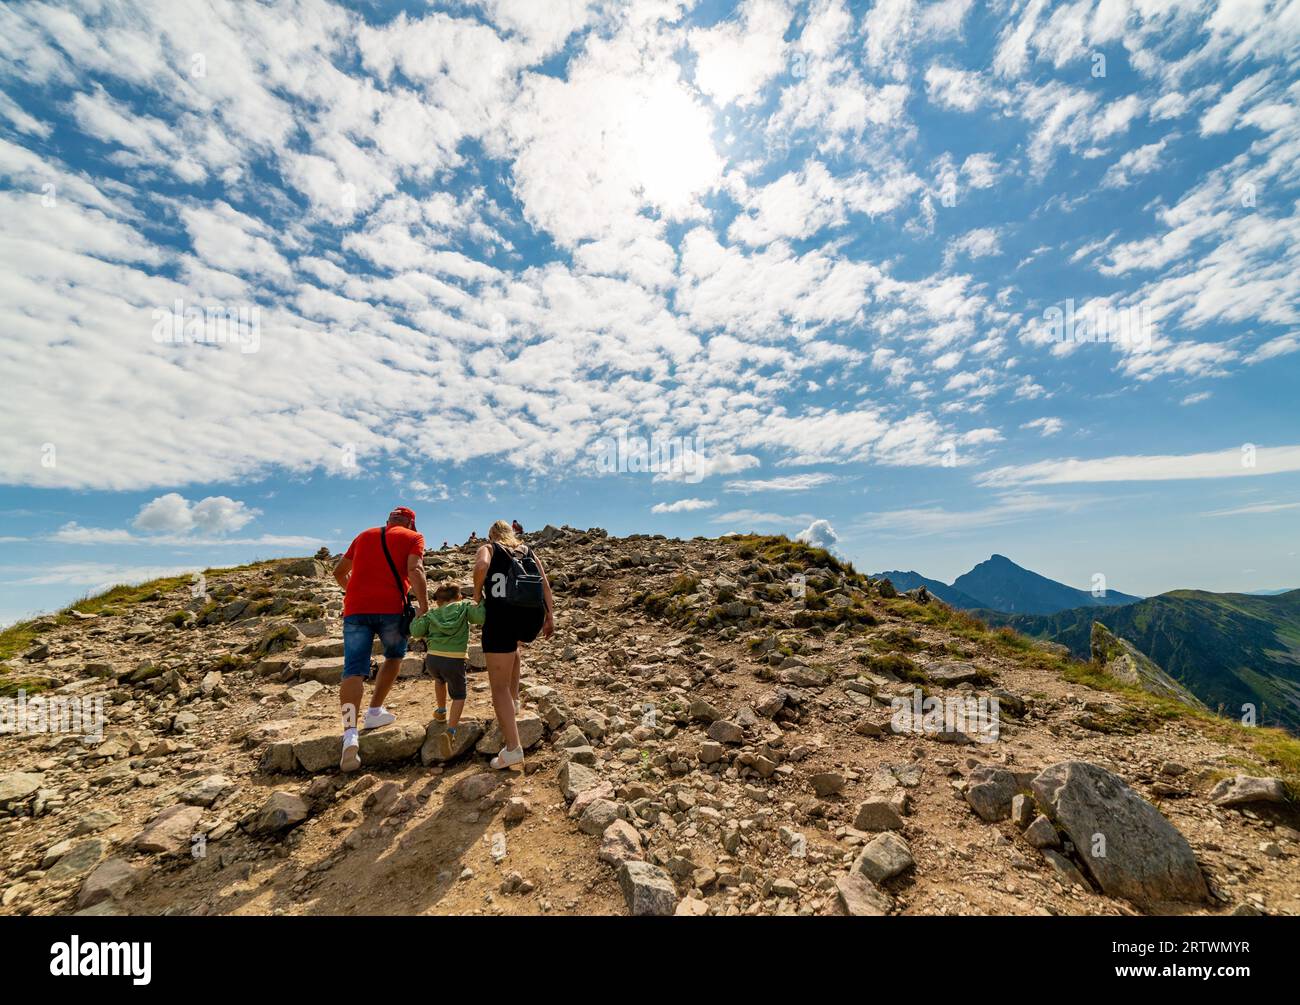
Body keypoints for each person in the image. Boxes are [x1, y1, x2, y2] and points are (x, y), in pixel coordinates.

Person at [332, 506, 428, 772]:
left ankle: (350, 732)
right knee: (394, 656)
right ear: (411, 523)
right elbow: (415, 571)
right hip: (391, 610)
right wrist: (424, 607)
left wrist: (355, 592)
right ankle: (374, 711)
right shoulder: (412, 538)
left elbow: (338, 571)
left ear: (388, 520)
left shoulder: (363, 535)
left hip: (355, 611)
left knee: (352, 671)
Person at [473, 519, 554, 769]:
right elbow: (544, 583)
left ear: (492, 534)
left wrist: (477, 594)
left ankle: (512, 748)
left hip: (500, 618)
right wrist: (550, 616)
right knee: (514, 650)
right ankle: (515, 700)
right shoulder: (526, 550)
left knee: (498, 688)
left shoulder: (489, 548)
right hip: (529, 617)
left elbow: (481, 567)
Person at [411, 581, 484, 757]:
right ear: (458, 596)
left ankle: (441, 711)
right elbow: (481, 618)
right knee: (459, 695)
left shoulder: (432, 613)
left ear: (438, 601)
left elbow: (416, 632)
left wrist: (418, 617)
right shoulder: (464, 606)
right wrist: (481, 601)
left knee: (439, 680)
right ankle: (450, 732)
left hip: (433, 659)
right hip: (454, 659)